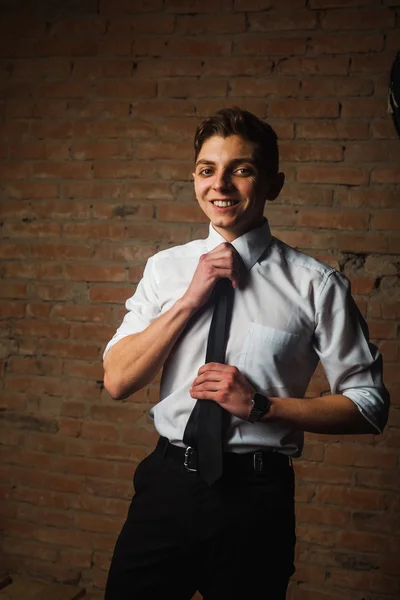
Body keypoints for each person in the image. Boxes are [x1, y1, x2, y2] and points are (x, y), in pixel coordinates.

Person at [102, 107, 389, 600]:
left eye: (242, 169)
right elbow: (118, 381)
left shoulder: (316, 286)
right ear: (194, 178)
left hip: (255, 501)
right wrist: (191, 298)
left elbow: (370, 406)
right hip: (166, 487)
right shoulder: (165, 269)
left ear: (273, 184)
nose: (222, 185)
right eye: (207, 169)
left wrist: (263, 406)